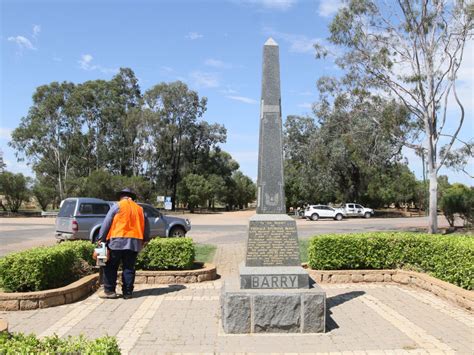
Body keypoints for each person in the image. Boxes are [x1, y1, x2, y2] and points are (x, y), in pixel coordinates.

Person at [97, 188, 150, 299]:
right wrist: (145, 239)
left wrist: (101, 239)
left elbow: (107, 222)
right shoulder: (140, 209)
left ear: (121, 196)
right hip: (134, 243)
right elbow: (146, 226)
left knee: (111, 266)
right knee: (129, 268)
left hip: (117, 241)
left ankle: (109, 291)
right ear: (131, 197)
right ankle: (127, 292)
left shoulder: (117, 206)